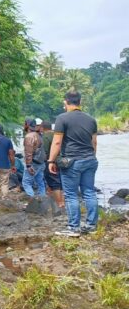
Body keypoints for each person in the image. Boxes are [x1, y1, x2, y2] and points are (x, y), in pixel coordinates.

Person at [49, 91, 99, 237]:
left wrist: (51, 160)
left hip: (72, 161)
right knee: (89, 192)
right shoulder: (91, 119)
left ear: (65, 102)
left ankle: (73, 228)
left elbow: (57, 142)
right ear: (80, 102)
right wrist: (90, 157)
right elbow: (94, 142)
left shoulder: (62, 118)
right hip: (90, 160)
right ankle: (91, 225)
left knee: (71, 194)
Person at [41, 120, 64, 211]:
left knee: (54, 183)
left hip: (52, 162)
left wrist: (49, 161)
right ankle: (63, 202)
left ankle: (59, 203)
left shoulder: (46, 136)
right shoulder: (58, 134)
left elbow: (46, 151)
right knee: (61, 182)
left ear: (42, 127)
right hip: (62, 161)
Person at [22, 118, 47, 198]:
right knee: (40, 182)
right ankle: (42, 200)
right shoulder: (38, 135)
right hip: (41, 162)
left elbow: (28, 152)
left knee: (26, 182)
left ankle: (32, 200)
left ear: (27, 125)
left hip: (33, 163)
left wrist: (28, 165)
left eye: (24, 124)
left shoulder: (29, 136)